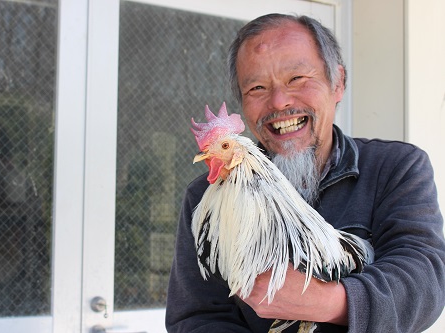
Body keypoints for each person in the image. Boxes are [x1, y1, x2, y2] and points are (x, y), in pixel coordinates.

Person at [165, 13, 445, 333]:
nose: (280, 101)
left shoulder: (396, 167)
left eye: (297, 78)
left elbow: (425, 281)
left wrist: (326, 301)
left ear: (337, 82)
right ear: (243, 102)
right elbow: (196, 316)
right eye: (257, 87)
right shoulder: (206, 197)